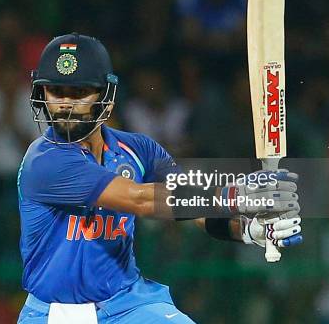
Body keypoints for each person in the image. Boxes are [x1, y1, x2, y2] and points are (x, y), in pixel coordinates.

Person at [16, 34, 303, 323]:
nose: (65, 104)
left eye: (79, 93)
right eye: (56, 92)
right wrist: (234, 195)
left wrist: (246, 230)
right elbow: (139, 199)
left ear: (105, 96)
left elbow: (190, 204)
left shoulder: (139, 149)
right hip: (52, 312)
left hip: (127, 305)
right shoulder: (44, 160)